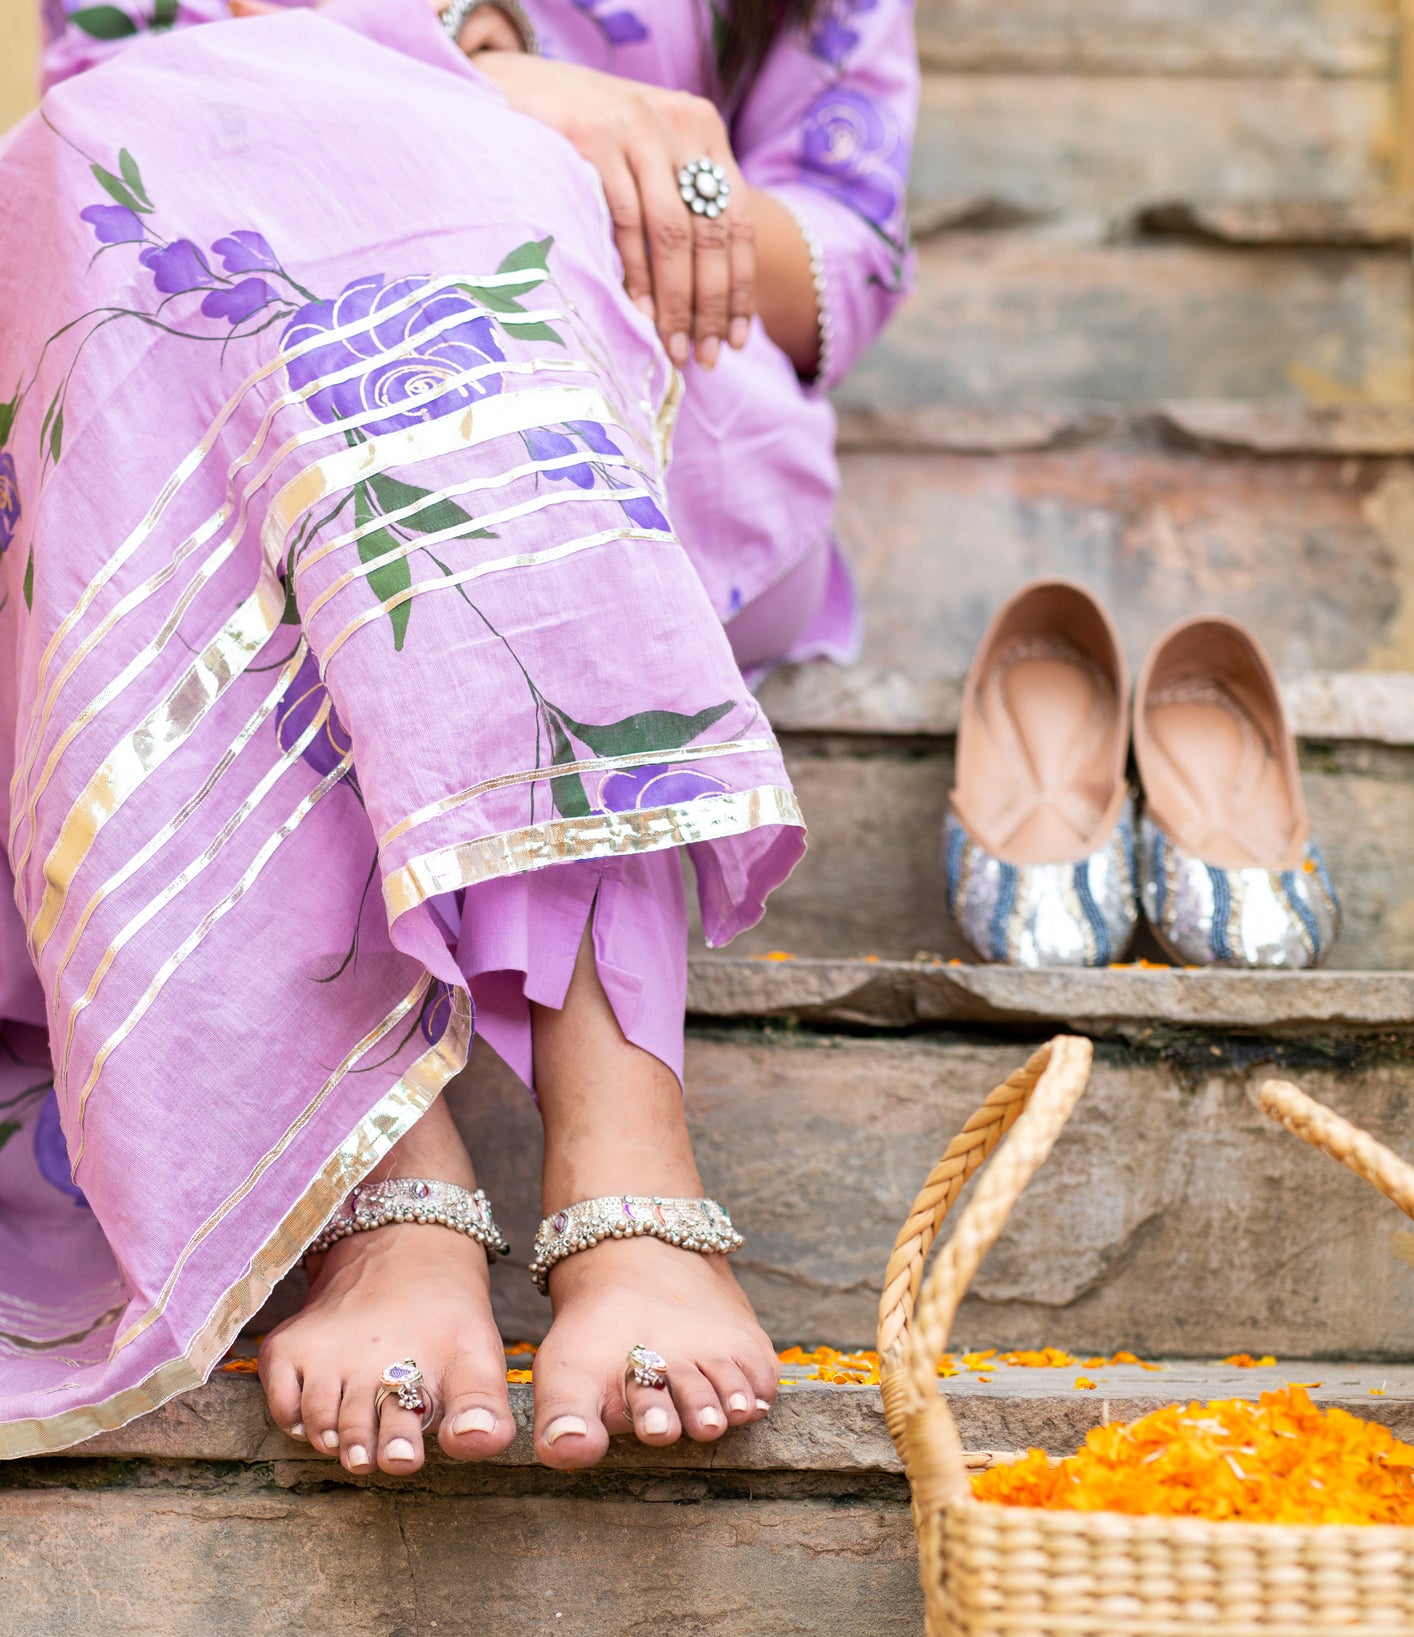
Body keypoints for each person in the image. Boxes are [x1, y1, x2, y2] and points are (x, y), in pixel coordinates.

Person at [0, 0, 916, 1471]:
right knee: (129, 160)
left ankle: (608, 1145)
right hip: (243, 390)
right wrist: (474, 78)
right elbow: (122, 135)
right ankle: (392, 1172)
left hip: (667, 391)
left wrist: (557, 157)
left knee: (471, 215)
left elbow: (846, 273)